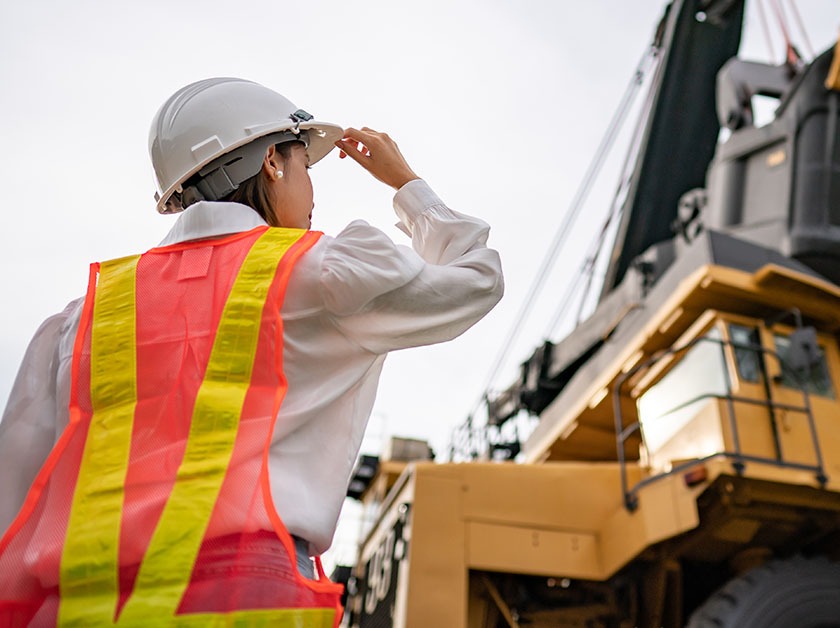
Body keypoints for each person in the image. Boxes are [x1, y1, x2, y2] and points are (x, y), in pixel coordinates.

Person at [0, 77, 503, 625]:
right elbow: (476, 279)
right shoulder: (318, 274)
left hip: (80, 607)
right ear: (271, 161)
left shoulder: (86, 317)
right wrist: (406, 184)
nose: (312, 189)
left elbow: (14, 499)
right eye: (305, 164)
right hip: (243, 600)